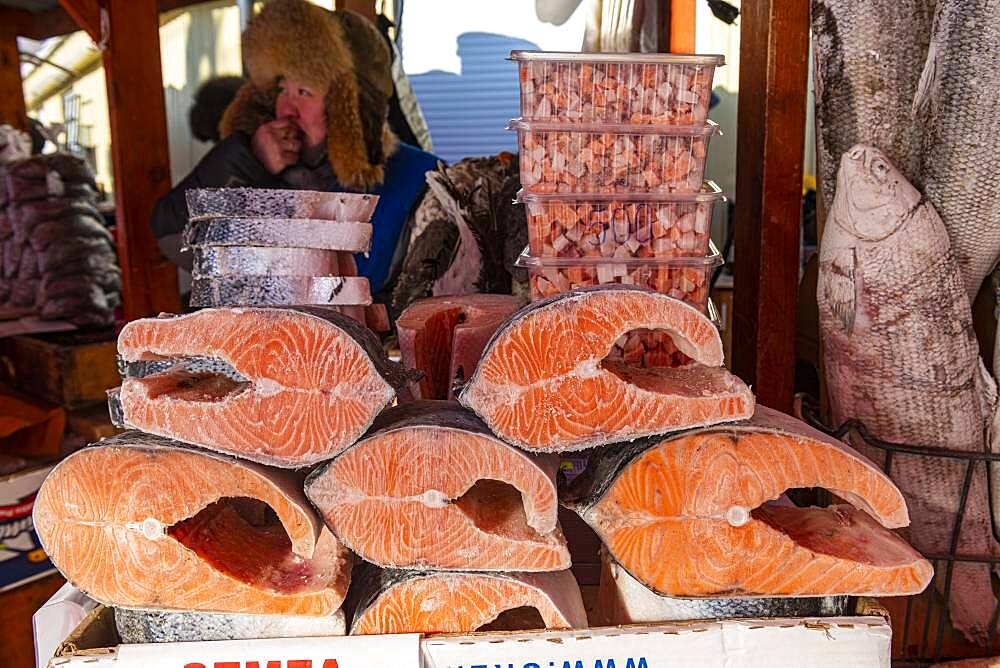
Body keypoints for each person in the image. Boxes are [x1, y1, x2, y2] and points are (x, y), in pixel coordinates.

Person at [151, 0, 441, 298]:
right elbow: (173, 237)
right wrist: (247, 162)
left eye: (304, 91)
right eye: (282, 89)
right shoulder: (254, 171)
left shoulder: (421, 181)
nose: (286, 109)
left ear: (349, 107)